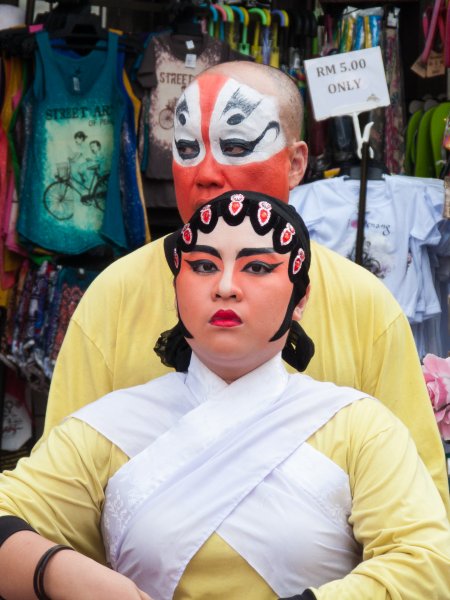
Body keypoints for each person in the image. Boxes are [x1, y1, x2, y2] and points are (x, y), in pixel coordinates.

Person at [41, 61, 450, 517]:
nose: (206, 174)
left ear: (296, 163)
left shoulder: (365, 303)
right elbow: (60, 496)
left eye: (235, 145)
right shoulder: (114, 295)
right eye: (187, 149)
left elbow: (420, 513)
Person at [1, 191, 449, 600]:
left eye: (256, 267)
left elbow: (427, 563)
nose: (225, 286)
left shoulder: (359, 427)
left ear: (301, 297)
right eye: (203, 265)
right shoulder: (106, 429)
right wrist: (60, 574)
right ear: (176, 285)